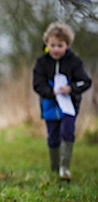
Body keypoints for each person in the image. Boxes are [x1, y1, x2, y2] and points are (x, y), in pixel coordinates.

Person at [32, 21, 92, 181]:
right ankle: (54, 166)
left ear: (67, 45)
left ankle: (64, 168)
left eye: (60, 45)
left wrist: (70, 88)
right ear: (47, 44)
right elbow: (37, 84)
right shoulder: (41, 63)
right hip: (49, 105)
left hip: (69, 106)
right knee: (53, 136)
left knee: (67, 131)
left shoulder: (74, 62)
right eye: (53, 45)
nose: (56, 49)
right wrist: (50, 91)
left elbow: (85, 81)